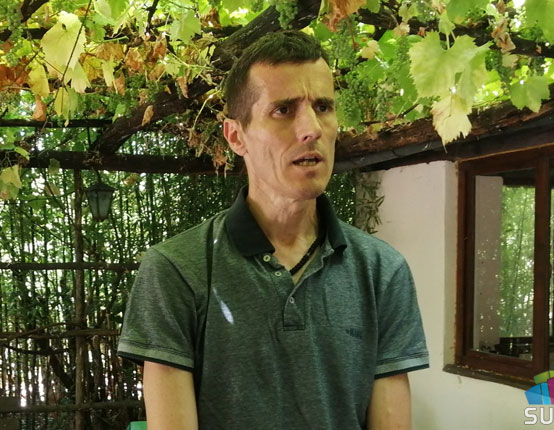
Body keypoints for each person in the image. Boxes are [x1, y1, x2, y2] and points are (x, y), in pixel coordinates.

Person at [117, 30, 428, 429]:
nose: (311, 128)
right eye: (283, 110)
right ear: (236, 136)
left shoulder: (382, 271)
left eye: (323, 106)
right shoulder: (176, 269)